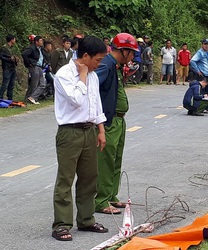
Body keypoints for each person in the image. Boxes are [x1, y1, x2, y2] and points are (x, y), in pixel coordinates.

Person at [52, 36, 108, 241]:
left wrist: (101, 130)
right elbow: (76, 100)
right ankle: (61, 225)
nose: (99, 64)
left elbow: (96, 104)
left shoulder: (92, 74)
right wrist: (82, 75)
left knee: (89, 177)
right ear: (85, 56)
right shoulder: (64, 74)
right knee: (65, 179)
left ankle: (86, 219)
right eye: (98, 60)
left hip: (89, 130)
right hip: (70, 132)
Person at [94, 33, 139, 214]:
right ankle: (101, 201)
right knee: (106, 161)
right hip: (109, 121)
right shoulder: (106, 64)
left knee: (116, 160)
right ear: (124, 50)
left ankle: (111, 196)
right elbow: (92, 85)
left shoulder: (116, 66)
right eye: (132, 53)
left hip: (119, 120)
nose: (134, 56)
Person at [190, 38, 208, 113]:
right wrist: (197, 70)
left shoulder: (207, 53)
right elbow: (192, 61)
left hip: (207, 75)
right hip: (202, 75)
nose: (206, 45)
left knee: (207, 91)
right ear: (202, 44)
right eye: (205, 44)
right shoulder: (200, 53)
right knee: (202, 92)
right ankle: (201, 107)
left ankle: (206, 106)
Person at [22, 35, 47, 104]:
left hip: (40, 67)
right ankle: (28, 98)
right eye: (41, 41)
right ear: (36, 42)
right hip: (34, 66)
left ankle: (32, 97)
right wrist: (29, 63)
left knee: (42, 83)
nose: (42, 42)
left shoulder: (40, 49)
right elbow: (24, 54)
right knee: (34, 83)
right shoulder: (32, 48)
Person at [0, 34, 18, 100]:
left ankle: (10, 99)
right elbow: (1, 56)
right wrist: (9, 59)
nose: (15, 40)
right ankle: (0, 97)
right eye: (14, 39)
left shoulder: (11, 48)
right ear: (11, 39)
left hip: (12, 67)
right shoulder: (4, 47)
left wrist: (15, 59)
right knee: (5, 84)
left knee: (11, 85)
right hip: (7, 68)